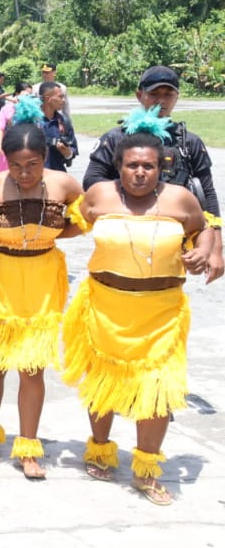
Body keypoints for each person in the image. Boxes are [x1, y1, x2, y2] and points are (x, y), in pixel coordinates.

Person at [64, 111, 215, 505]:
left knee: (157, 391)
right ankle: (99, 449)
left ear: (161, 167)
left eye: (149, 166)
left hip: (161, 314)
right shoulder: (98, 196)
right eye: (132, 165)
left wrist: (202, 252)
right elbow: (66, 223)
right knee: (104, 383)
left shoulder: (180, 199)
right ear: (119, 166)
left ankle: (146, 471)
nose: (141, 173)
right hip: (105, 307)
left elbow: (205, 228)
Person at [0, 113, 85, 480]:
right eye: (16, 166)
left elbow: (80, 222)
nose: (25, 174)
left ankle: (27, 446)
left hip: (41, 283)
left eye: (33, 165)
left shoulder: (64, 185)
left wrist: (51, 235)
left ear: (45, 158)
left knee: (31, 368)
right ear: (4, 160)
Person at [83, 66, 222, 281]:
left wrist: (216, 248)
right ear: (139, 95)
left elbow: (207, 193)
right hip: (124, 235)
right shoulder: (115, 139)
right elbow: (92, 181)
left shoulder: (188, 143)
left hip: (170, 239)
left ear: (177, 97)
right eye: (154, 94)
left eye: (168, 94)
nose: (161, 101)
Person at [37, 81, 77, 173]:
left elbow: (73, 148)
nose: (63, 100)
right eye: (60, 97)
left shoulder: (64, 121)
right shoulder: (31, 121)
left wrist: (68, 153)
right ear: (48, 99)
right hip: (34, 177)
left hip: (58, 175)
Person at [0, 83, 33, 172]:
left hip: (26, 147)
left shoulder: (33, 111)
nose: (28, 97)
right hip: (8, 147)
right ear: (17, 94)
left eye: (30, 95)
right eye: (25, 94)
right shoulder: (6, 109)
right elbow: (0, 128)